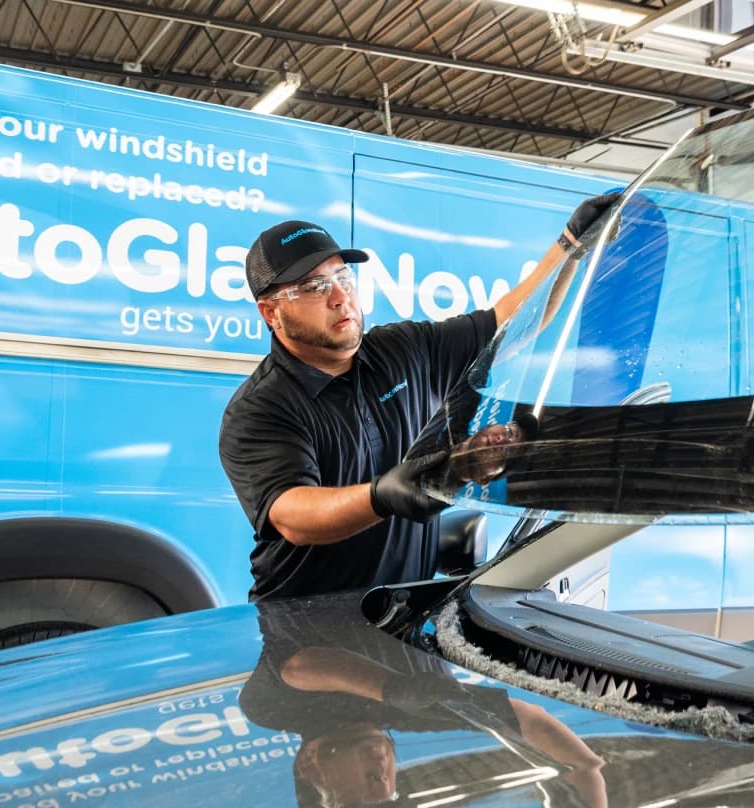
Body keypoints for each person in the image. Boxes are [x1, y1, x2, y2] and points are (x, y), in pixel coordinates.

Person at [219, 194, 619, 601]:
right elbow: (293, 515)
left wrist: (571, 246)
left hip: (400, 617)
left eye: (342, 277)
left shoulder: (404, 349)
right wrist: (383, 496)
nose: (339, 297)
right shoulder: (259, 409)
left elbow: (511, 322)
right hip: (302, 626)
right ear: (271, 313)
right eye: (313, 287)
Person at [239, 598, 607, 807]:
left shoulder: (267, 710)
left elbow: (300, 664)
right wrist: (586, 770)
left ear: (310, 769)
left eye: (366, 788)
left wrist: (394, 689)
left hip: (323, 575)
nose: (383, 776)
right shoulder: (417, 716)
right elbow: (530, 720)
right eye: (390, 791)